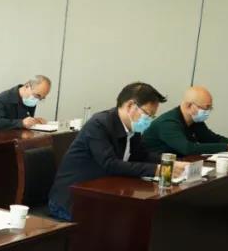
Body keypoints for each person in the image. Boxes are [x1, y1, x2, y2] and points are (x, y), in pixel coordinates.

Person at [48, 82, 187, 221]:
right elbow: (110, 164)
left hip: (103, 195)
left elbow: (142, 155)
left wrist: (171, 163)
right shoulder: (99, 124)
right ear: (130, 106)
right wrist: (157, 170)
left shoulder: (132, 128)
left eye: (152, 116)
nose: (149, 120)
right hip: (71, 200)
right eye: (147, 114)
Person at [143, 86, 228, 157]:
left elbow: (212, 139)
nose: (208, 111)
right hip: (154, 168)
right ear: (189, 106)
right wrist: (227, 147)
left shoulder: (195, 120)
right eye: (206, 107)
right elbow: (187, 148)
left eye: (210, 108)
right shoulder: (168, 123)